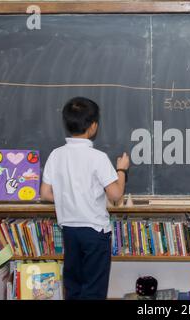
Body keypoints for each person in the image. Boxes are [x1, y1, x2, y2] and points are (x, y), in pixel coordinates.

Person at [40, 97, 130, 300]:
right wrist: (122, 169)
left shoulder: (56, 155)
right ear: (93, 126)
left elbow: (45, 193)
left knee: (74, 287)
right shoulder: (97, 158)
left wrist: (69, 198)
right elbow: (116, 195)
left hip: (70, 231)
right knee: (94, 289)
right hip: (94, 232)